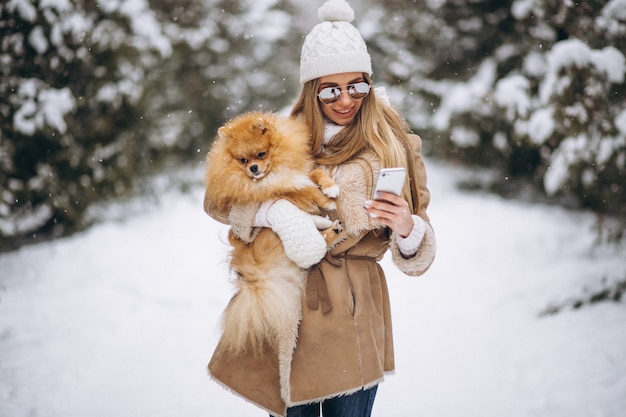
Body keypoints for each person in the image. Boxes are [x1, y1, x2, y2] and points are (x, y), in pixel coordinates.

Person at [203, 0, 436, 416]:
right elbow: (219, 200)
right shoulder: (285, 135)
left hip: (354, 304)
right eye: (331, 89)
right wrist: (271, 213)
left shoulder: (393, 142)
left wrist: (407, 227)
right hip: (291, 298)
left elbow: (419, 252)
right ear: (312, 89)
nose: (346, 99)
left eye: (357, 86)